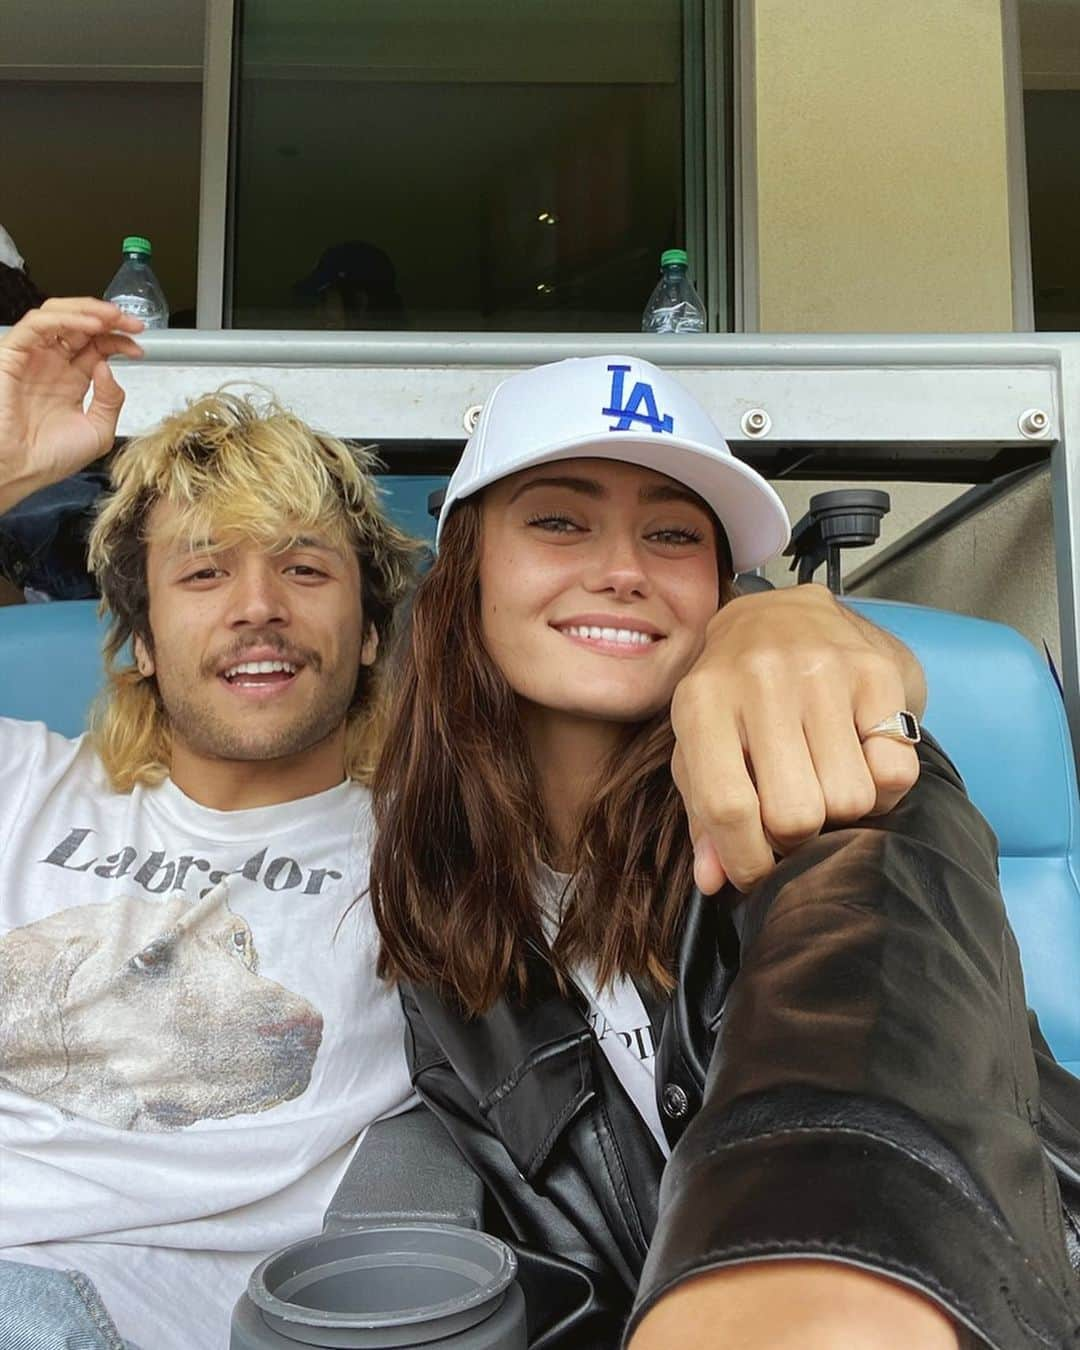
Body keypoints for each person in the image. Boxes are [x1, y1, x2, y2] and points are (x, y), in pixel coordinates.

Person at [0, 302, 926, 1348]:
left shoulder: (446, 847)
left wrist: (779, 611)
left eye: (306, 569)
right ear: (143, 644)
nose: (258, 606)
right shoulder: (20, 781)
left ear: (367, 639)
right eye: (204, 572)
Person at [369, 354, 1080, 1350]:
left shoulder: (826, 768)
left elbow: (872, 953)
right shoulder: (442, 887)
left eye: (670, 534)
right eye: (560, 521)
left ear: (718, 586)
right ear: (469, 573)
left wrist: (816, 1251)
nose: (621, 569)